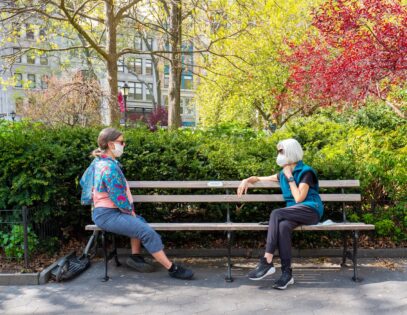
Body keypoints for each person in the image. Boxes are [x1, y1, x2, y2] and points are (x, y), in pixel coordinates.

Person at [80, 127, 193, 280]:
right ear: (111, 144)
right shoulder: (108, 167)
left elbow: (84, 182)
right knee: (146, 232)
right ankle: (172, 268)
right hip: (107, 214)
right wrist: (129, 211)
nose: (124, 145)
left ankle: (135, 257)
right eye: (121, 142)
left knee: (140, 222)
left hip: (105, 212)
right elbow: (117, 196)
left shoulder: (101, 162)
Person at [237, 138, 323, 290]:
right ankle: (286, 274)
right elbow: (260, 178)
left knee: (276, 214)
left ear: (291, 152)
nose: (279, 154)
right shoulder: (283, 173)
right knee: (283, 227)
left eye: (281, 151)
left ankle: (267, 260)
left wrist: (290, 177)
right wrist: (247, 180)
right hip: (292, 213)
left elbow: (298, 199)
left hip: (310, 210)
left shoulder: (306, 172)